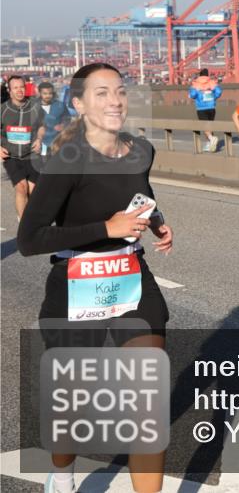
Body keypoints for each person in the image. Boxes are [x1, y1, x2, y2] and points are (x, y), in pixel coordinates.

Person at [17, 63, 173, 493]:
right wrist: (107, 227)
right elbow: (29, 239)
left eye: (119, 91)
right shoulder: (66, 162)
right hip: (75, 284)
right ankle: (63, 472)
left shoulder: (141, 150)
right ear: (79, 104)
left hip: (130, 278)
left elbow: (139, 195)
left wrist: (155, 219)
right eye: (101, 93)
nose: (115, 101)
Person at [2, 74, 46, 219]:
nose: (19, 90)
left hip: (32, 155)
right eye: (15, 88)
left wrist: (39, 139)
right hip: (12, 156)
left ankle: (32, 222)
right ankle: (23, 224)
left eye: (22, 87)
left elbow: (42, 126)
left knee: (33, 191)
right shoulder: (3, 109)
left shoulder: (35, 107)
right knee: (21, 187)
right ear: (9, 91)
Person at [189, 68, 222, 152]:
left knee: (204, 126)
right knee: (209, 126)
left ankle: (211, 138)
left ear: (200, 75)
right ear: (207, 75)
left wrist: (196, 92)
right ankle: (210, 144)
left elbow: (193, 95)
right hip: (211, 107)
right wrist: (213, 98)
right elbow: (218, 92)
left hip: (201, 108)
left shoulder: (195, 83)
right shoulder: (212, 82)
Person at [37, 81, 71, 158]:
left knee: (54, 161)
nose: (48, 96)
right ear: (40, 93)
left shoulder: (60, 105)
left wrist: (63, 125)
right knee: (42, 160)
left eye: (50, 93)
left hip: (56, 140)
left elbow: (67, 118)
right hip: (39, 142)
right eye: (45, 93)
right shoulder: (33, 106)